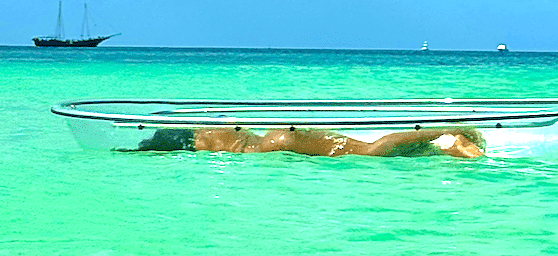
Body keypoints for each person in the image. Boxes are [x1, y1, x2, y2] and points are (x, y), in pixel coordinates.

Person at [133, 124, 486, 158]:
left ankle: (444, 130)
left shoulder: (194, 144)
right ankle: (444, 143)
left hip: (276, 145)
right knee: (369, 151)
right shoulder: (208, 130)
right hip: (275, 138)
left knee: (370, 152)